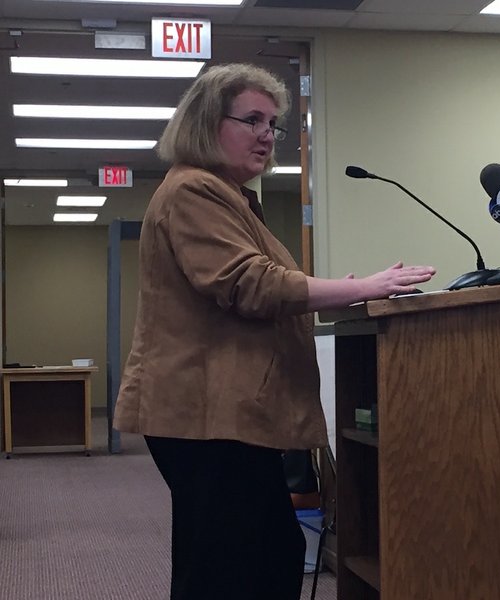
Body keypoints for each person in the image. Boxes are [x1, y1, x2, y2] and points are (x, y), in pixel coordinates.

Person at [112, 63, 435, 600]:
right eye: (253, 120)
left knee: (253, 555)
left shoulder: (230, 195)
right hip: (205, 414)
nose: (267, 135)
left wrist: (335, 290)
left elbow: (265, 285)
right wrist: (361, 289)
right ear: (208, 121)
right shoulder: (194, 191)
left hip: (224, 413)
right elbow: (250, 284)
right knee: (231, 565)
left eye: (273, 124)